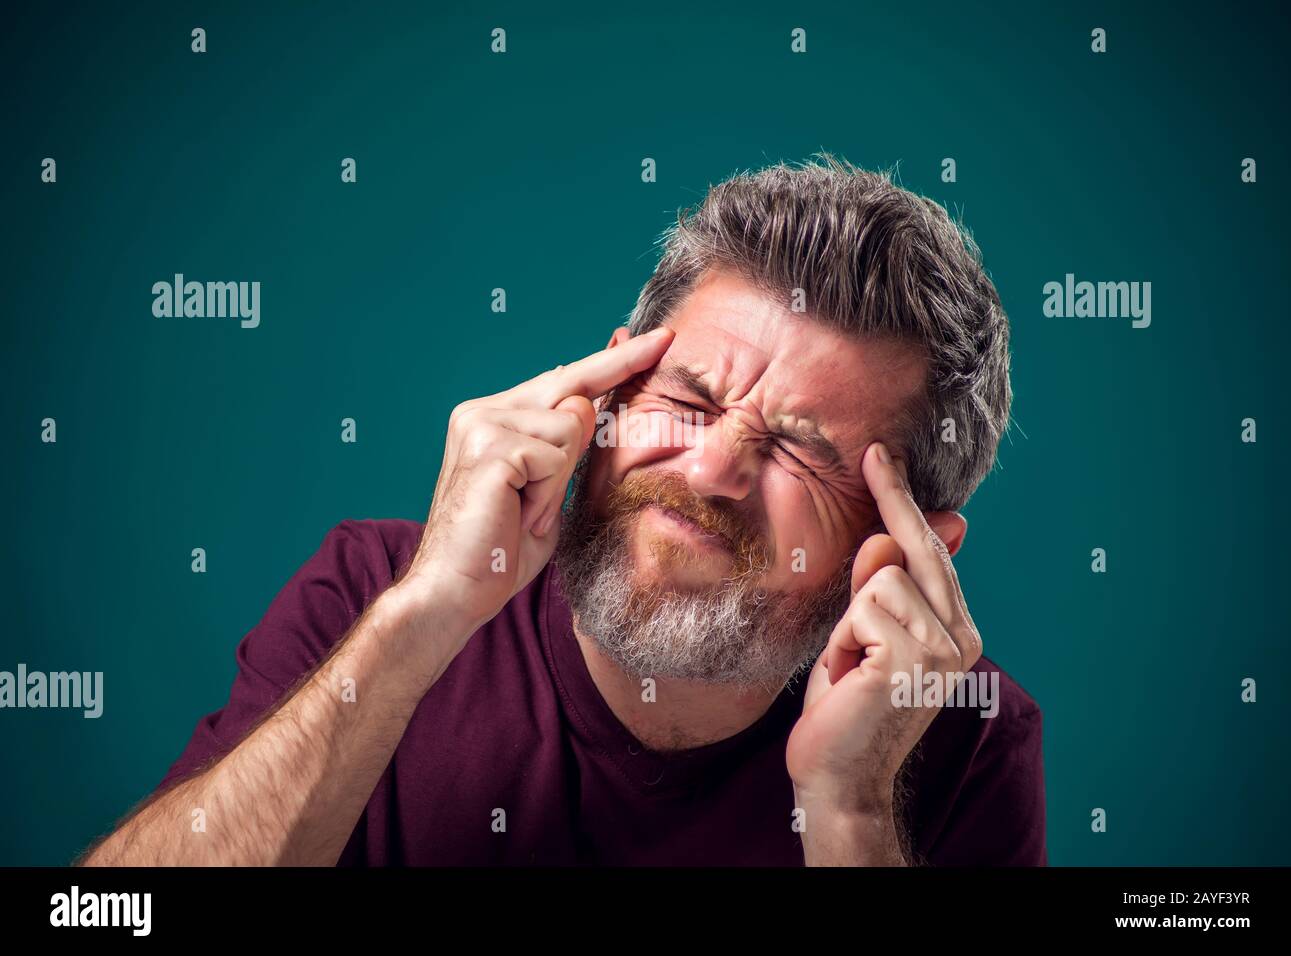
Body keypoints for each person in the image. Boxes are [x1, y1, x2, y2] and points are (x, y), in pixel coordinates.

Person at [78, 155, 1045, 866]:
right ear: (606, 391)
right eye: (689, 401)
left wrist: (850, 812)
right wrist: (420, 626)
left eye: (800, 452)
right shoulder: (374, 594)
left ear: (916, 544)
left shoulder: (959, 735)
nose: (713, 468)